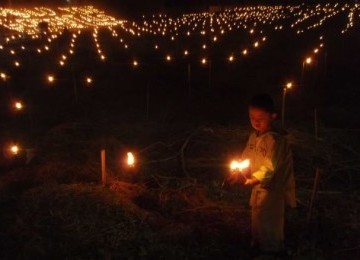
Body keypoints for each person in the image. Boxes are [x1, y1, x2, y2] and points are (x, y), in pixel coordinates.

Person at [239, 93, 296, 256]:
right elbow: (246, 157)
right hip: (257, 187)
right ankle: (257, 245)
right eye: (252, 117)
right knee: (257, 216)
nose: (256, 122)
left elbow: (270, 167)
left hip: (274, 190)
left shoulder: (276, 141)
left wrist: (253, 179)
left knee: (270, 220)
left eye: (260, 118)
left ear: (273, 116)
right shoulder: (253, 137)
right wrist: (239, 171)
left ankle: (274, 250)